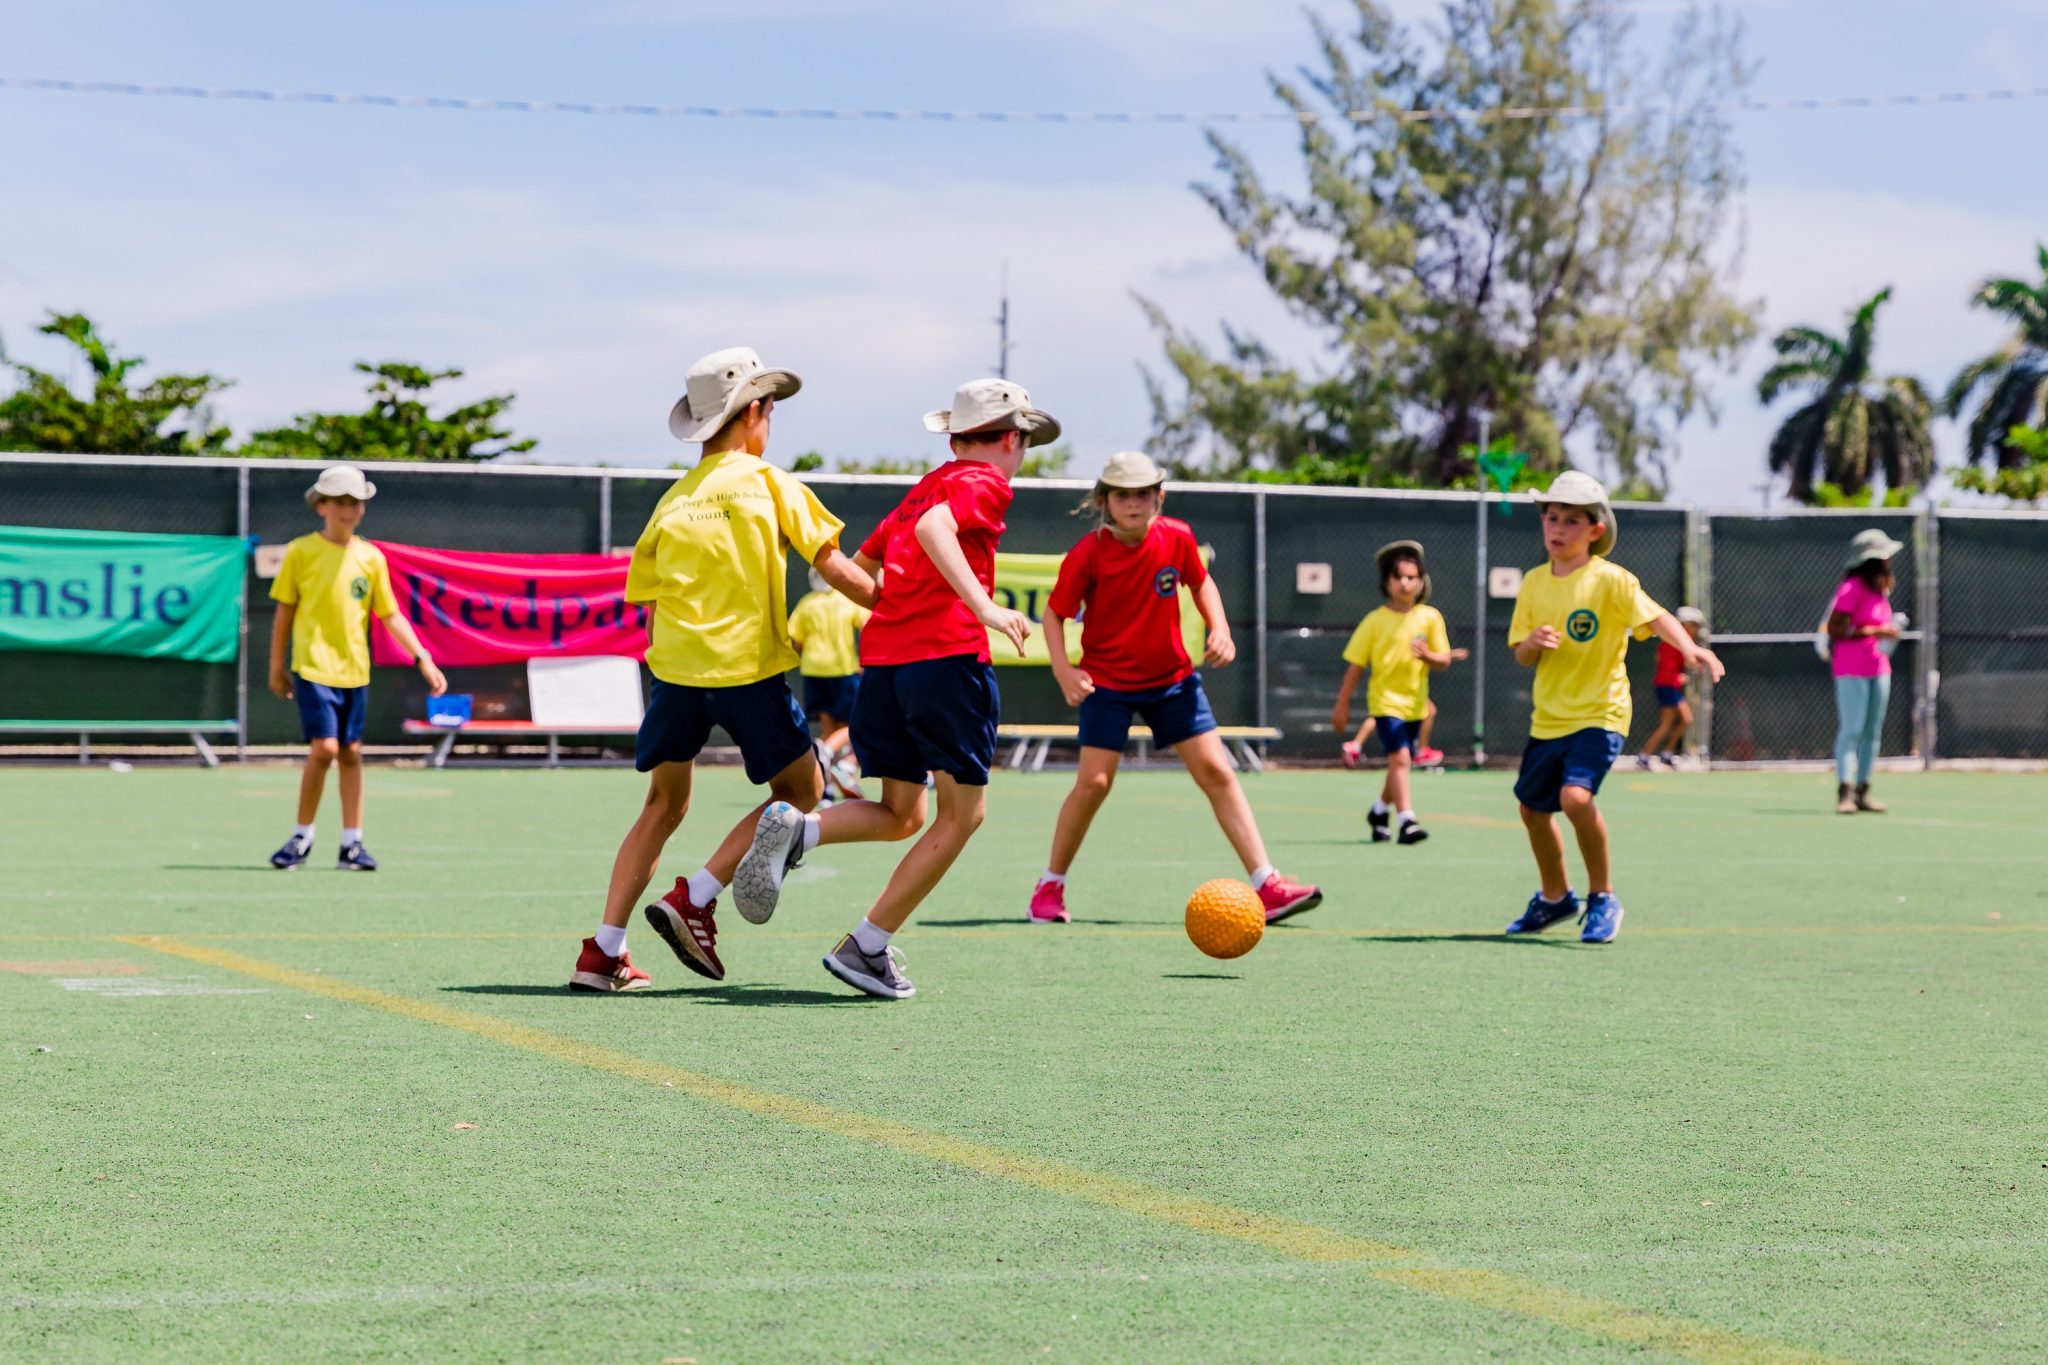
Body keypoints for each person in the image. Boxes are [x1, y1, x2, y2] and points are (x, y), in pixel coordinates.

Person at [731, 378, 1046, 1000]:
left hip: (883, 666)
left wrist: (897, 609)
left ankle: (802, 831)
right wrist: (983, 607)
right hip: (948, 664)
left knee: (904, 813)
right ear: (1012, 439)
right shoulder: (984, 482)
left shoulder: (921, 488)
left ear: (955, 437)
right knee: (965, 815)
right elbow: (937, 530)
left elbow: (860, 571)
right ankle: (866, 946)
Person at [575, 346, 876, 994]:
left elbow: (649, 605)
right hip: (747, 672)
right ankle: (697, 896)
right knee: (801, 793)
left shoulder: (672, 501)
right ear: (754, 413)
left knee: (663, 803)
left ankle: (603, 951)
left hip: (674, 675)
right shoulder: (771, 483)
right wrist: (902, 604)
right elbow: (835, 566)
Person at [1026, 451, 1321, 925]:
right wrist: (1063, 669)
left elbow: (1202, 585)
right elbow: (1054, 614)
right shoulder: (1089, 552)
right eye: (1123, 494)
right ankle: (1049, 887)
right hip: (1109, 685)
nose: (1134, 502)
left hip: (1172, 682)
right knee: (1094, 783)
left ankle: (1267, 884)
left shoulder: (1177, 537)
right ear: (1105, 500)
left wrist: (1219, 630)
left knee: (1218, 772)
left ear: (1158, 496)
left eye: (1144, 493)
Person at [1501, 472, 1724, 945]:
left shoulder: (1611, 581)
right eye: (1552, 518)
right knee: (1530, 810)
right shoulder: (1534, 583)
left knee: (1575, 798)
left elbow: (1657, 616)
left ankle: (1603, 896)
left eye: (1571, 521)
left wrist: (1689, 649)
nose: (1558, 528)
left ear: (1595, 530)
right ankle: (1555, 896)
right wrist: (1533, 644)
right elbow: (1519, 652)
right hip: (1549, 717)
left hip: (1601, 713)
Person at [266, 465, 448, 872]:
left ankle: (352, 844)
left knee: (350, 753)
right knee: (325, 748)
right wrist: (276, 667)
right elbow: (283, 614)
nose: (350, 510)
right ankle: (302, 835)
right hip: (312, 667)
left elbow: (391, 614)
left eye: (356, 502)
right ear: (322, 506)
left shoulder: (371, 557)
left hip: (355, 671)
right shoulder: (300, 551)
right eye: (342, 502)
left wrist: (424, 657)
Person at [1330, 541, 1468, 844]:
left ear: (1421, 581)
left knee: (1398, 763)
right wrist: (1342, 706)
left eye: (1412, 577)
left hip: (1416, 705)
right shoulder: (1374, 620)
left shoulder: (1430, 617)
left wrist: (1428, 656)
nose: (1405, 583)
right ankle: (1407, 820)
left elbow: (1443, 660)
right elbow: (1355, 667)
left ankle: (1380, 811)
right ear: (1387, 582)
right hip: (1385, 703)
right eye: (1399, 577)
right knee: (1402, 758)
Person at [1827, 528, 1904, 815]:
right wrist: (1874, 630)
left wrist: (1888, 632)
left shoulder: (1880, 589)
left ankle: (1863, 789)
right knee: (1852, 730)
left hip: (1878, 668)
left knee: (1872, 731)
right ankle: (1844, 791)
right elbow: (1835, 628)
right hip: (1851, 669)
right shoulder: (1852, 588)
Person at [788, 567, 870, 800]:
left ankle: (826, 789)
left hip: (813, 671)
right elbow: (867, 625)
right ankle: (836, 760)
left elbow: (796, 641)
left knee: (828, 730)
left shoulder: (806, 604)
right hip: (842, 670)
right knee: (853, 727)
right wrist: (864, 658)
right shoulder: (846, 601)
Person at [1636, 605, 1705, 769]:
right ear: (1684, 624)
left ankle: (1665, 754)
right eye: (1693, 625)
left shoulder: (1680, 643)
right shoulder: (1672, 642)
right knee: (1674, 722)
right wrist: (1678, 677)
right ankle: (1644, 756)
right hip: (1667, 686)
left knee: (1681, 721)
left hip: (1669, 685)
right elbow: (1665, 666)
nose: (1695, 629)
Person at [1341, 701, 1445, 769]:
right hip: (1399, 685)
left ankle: (1355, 746)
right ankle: (1422, 752)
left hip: (1390, 685)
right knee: (1429, 710)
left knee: (1381, 717)